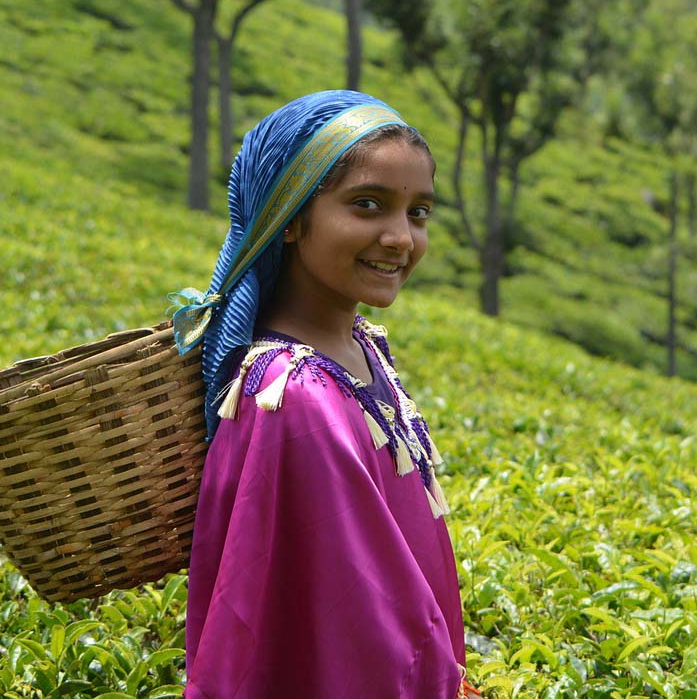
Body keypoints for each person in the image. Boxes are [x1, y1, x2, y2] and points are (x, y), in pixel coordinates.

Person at [170, 91, 479, 698]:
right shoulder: (294, 399)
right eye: (368, 205)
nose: (400, 238)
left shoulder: (358, 350)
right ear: (289, 218)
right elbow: (364, 628)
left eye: (418, 213)